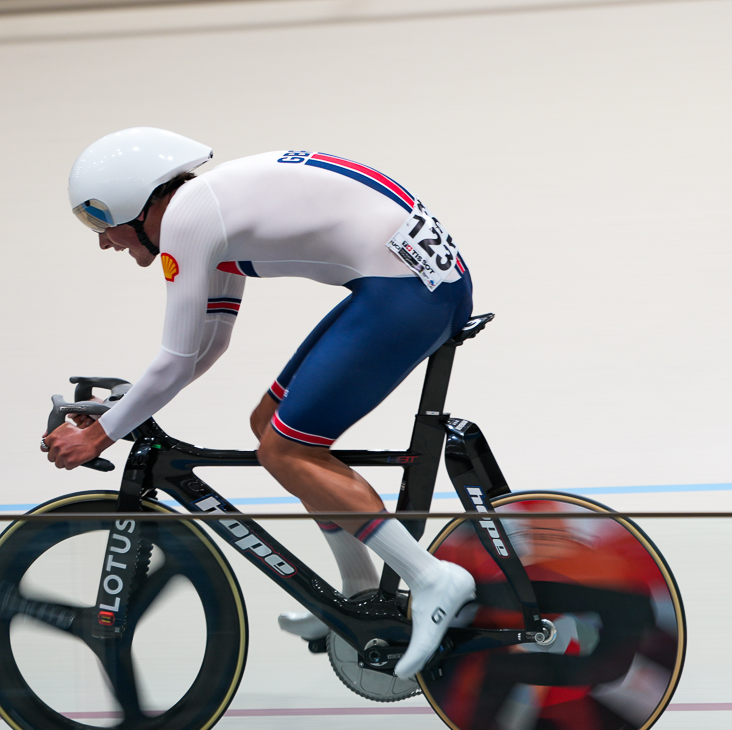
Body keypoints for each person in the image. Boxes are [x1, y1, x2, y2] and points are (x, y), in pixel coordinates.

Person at [44, 127, 475, 681]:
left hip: (408, 292)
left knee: (286, 451)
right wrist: (126, 406)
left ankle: (430, 577)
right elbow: (208, 343)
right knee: (268, 425)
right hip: (409, 284)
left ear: (134, 202)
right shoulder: (207, 210)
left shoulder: (187, 219)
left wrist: (99, 436)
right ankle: (361, 590)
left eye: (101, 222)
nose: (104, 241)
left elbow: (176, 360)